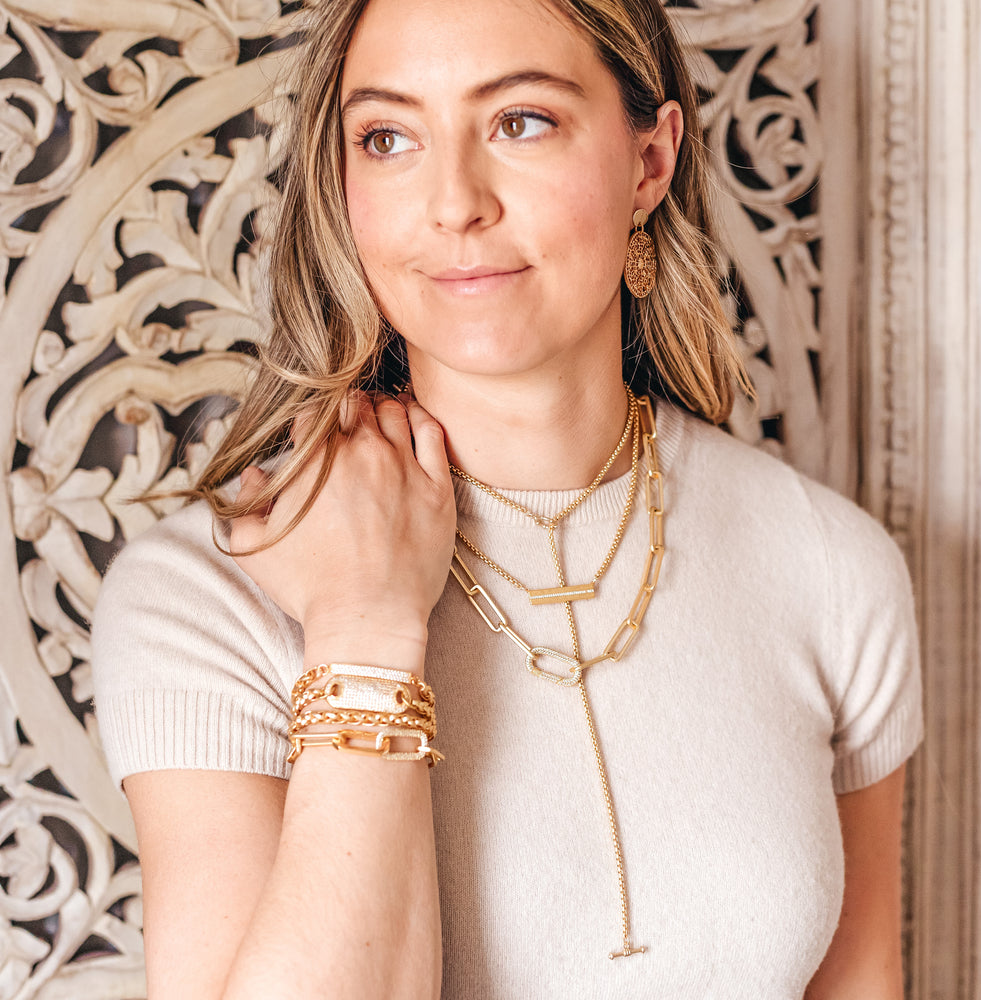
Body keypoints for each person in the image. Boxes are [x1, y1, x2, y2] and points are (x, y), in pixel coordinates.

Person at [90, 0, 923, 997]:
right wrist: (364, 629)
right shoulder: (207, 595)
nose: (453, 203)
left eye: (520, 121)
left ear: (649, 162)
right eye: (388, 137)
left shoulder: (829, 564)